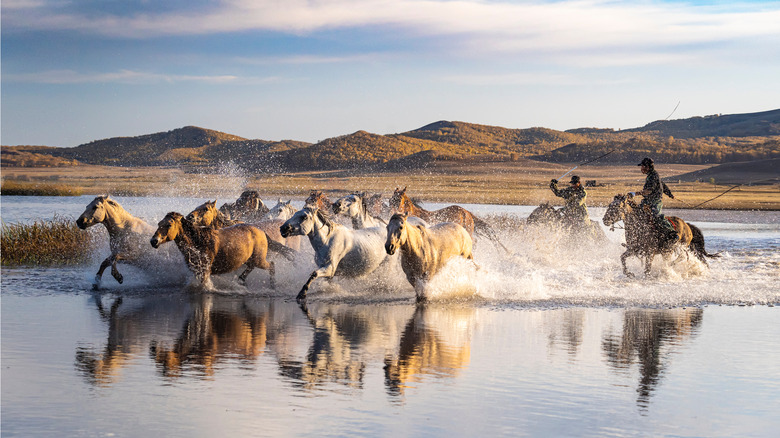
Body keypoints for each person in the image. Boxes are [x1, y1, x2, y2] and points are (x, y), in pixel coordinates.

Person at [630, 157, 678, 247]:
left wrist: (635, 194)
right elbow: (662, 184)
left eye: (643, 166)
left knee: (656, 217)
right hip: (647, 201)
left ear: (648, 167)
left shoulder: (654, 176)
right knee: (637, 214)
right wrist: (670, 194)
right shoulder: (651, 176)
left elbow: (649, 190)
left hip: (655, 202)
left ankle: (672, 234)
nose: (641, 169)